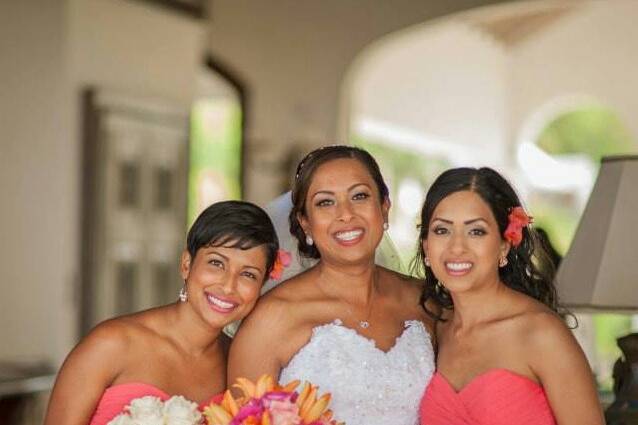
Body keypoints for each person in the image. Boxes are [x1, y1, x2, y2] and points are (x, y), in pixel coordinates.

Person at [228, 145, 436, 425]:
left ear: (384, 208)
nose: (345, 214)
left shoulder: (425, 301)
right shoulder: (271, 318)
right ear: (305, 223)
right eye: (325, 202)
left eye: (359, 196)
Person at [44, 200, 279, 425]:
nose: (228, 286)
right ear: (186, 264)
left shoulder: (239, 363)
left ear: (262, 285)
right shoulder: (111, 343)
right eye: (216, 263)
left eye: (248, 274)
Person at [416, 167, 604, 425]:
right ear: (426, 245)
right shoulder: (436, 329)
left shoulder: (542, 333)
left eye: (476, 231)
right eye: (442, 230)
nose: (457, 247)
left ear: (504, 244)